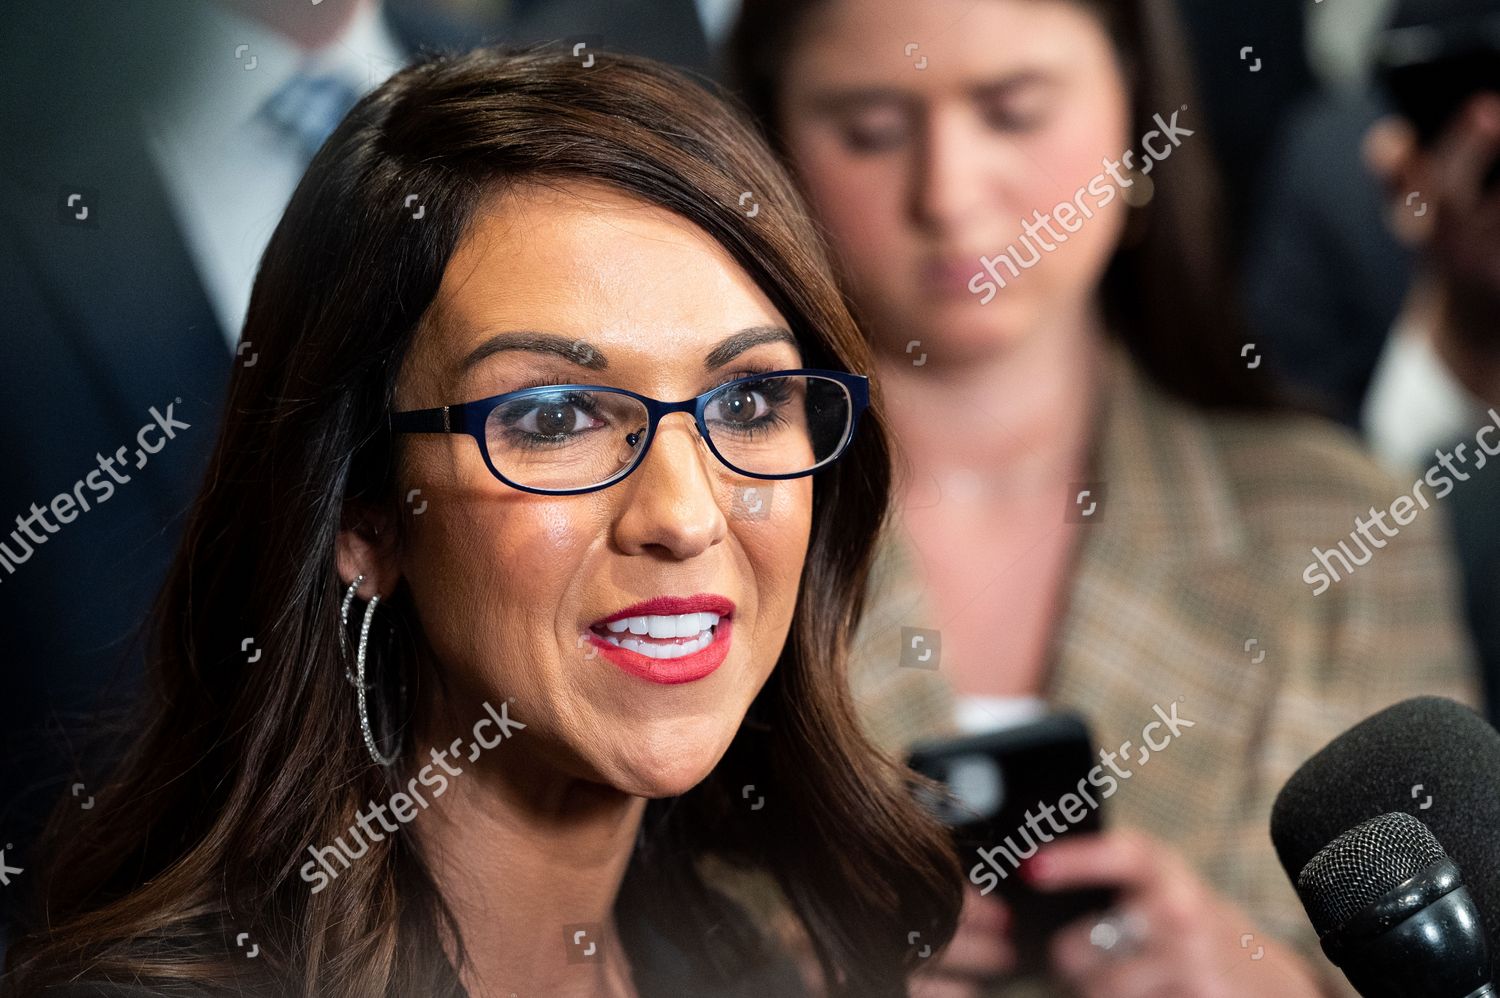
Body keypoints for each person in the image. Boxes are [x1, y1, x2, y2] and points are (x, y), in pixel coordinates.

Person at [1, 45, 962, 998]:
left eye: (749, 404)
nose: (682, 515)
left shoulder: (752, 970)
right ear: (362, 516)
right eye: (554, 417)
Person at [728, 0, 1481, 994]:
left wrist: (1281, 984)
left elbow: (1451, 932)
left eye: (1015, 111)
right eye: (870, 129)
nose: (949, 194)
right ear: (770, 148)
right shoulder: (693, 516)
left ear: (1137, 122)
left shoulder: (1339, 521)